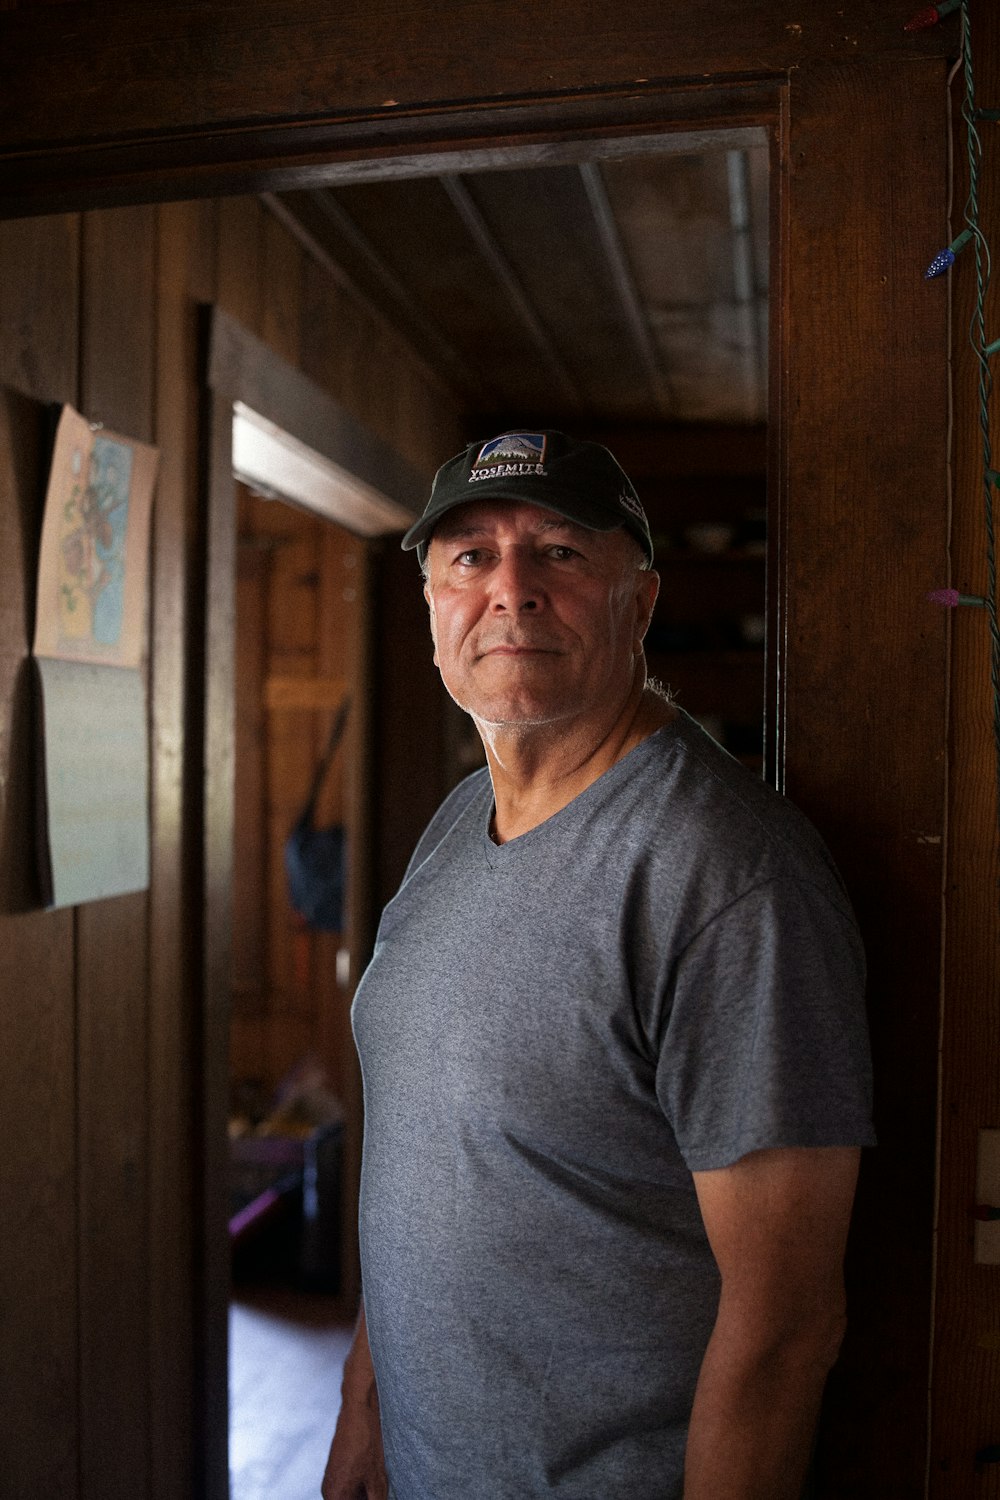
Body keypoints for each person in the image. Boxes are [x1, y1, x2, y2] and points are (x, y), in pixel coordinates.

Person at [322, 430, 874, 1500]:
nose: (510, 591)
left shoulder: (727, 875)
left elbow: (788, 1323)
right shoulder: (454, 824)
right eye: (470, 558)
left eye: (561, 553)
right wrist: (363, 1417)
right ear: (433, 610)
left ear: (642, 600)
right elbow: (423, 1163)